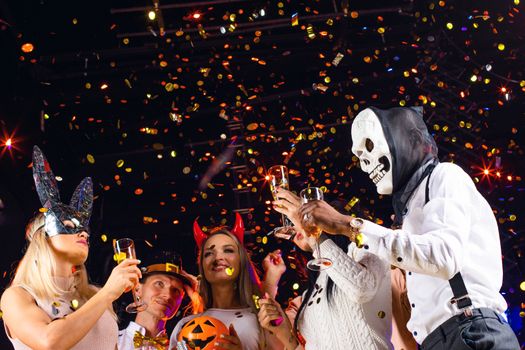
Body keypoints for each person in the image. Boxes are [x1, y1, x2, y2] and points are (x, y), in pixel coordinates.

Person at [297, 106, 520, 349]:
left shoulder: (445, 176)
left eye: (370, 146)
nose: (364, 164)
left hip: (469, 331)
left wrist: (346, 225)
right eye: (359, 155)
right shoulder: (408, 211)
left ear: (412, 140)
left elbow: (444, 256)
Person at [1, 146, 142, 349]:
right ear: (44, 237)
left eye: (85, 229)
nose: (84, 233)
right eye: (69, 226)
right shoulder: (18, 296)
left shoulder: (95, 295)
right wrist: (109, 292)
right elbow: (49, 342)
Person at [258, 191, 393, 350]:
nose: (296, 224)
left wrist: (312, 234)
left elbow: (362, 289)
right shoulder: (309, 293)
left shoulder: (365, 250)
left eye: (307, 214)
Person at [169, 214, 281, 350]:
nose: (219, 257)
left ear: (241, 262)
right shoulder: (185, 326)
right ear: (202, 267)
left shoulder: (263, 322)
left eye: (228, 250)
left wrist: (271, 281)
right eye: (209, 253)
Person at [118, 251, 196, 350]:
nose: (168, 295)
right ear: (137, 289)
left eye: (175, 290)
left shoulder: (181, 348)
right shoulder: (111, 341)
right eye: (159, 284)